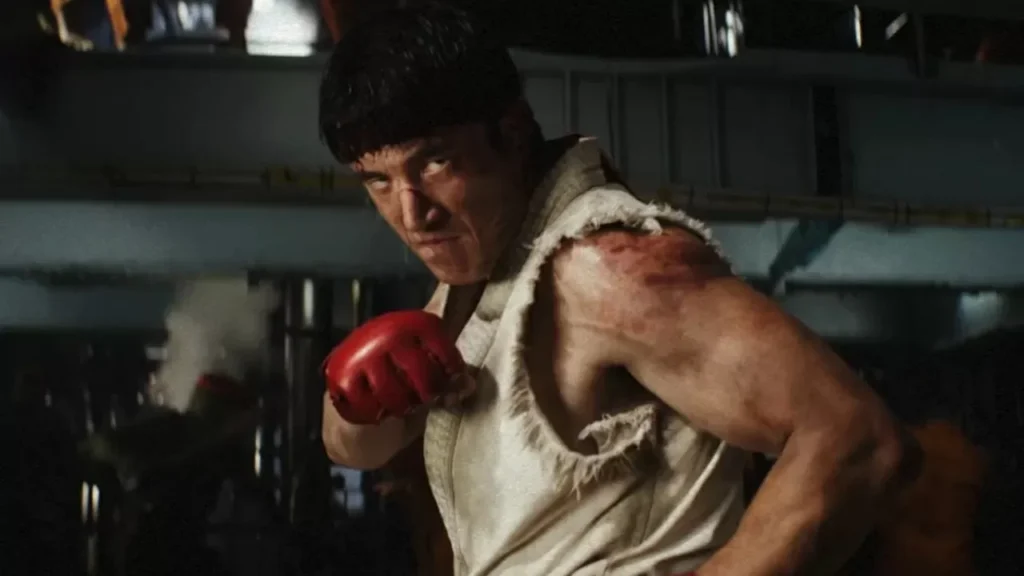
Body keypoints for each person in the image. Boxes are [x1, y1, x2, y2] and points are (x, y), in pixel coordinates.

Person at [317, 4, 919, 575]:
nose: (412, 214)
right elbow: (353, 450)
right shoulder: (481, 273)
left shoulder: (605, 270)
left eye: (434, 163)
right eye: (377, 181)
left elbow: (855, 438)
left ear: (512, 130)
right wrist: (356, 405)